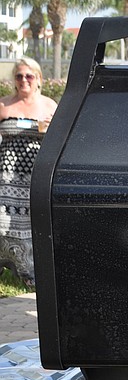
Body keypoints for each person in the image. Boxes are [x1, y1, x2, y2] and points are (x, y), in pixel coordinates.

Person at [0, 58, 59, 288]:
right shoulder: (4, 105)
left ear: (38, 79)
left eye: (29, 76)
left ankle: (29, 271)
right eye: (19, 76)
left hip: (35, 174)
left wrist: (46, 131)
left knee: (29, 221)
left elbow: (60, 140)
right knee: (3, 221)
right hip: (5, 176)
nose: (24, 80)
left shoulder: (49, 106)